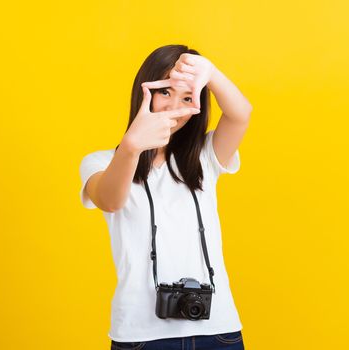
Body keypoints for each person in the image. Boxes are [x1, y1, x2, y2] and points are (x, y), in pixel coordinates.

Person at [79, 45, 252, 350]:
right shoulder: (101, 162)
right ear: (145, 91)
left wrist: (208, 72)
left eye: (187, 97)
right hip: (141, 334)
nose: (175, 106)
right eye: (165, 92)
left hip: (218, 329)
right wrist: (132, 146)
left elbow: (241, 114)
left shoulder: (203, 157)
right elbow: (110, 200)